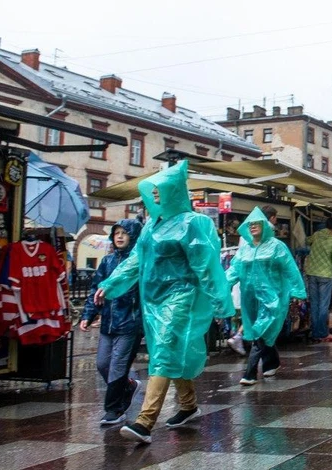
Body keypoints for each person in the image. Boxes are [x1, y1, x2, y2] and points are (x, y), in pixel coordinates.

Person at [95, 160, 233, 445]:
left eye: (161, 189)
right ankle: (187, 405)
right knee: (170, 350)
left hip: (182, 296)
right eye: (153, 190)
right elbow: (135, 261)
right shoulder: (151, 227)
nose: (155, 194)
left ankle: (145, 421)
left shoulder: (195, 223)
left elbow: (206, 266)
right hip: (154, 301)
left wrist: (220, 303)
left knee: (166, 349)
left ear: (175, 190)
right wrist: (109, 284)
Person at [226, 208, 306, 386]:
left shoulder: (277, 246)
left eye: (257, 223)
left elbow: (290, 269)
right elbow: (234, 270)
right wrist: (220, 286)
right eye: (250, 224)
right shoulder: (244, 249)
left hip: (272, 297)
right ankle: (273, 362)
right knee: (260, 332)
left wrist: (298, 291)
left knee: (261, 330)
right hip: (250, 299)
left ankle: (250, 372)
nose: (253, 227)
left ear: (265, 225)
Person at [80, 219, 143, 426]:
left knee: (118, 365)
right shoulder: (107, 261)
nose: (120, 236)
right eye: (116, 232)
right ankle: (129, 386)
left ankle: (114, 410)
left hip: (130, 322)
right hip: (108, 322)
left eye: (125, 233)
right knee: (102, 364)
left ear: (133, 236)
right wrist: (88, 315)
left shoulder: (139, 261)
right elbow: (95, 290)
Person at [304, 216, 332, 343]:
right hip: (326, 275)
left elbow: (307, 240)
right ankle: (323, 333)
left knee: (314, 304)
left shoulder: (316, 235)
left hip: (312, 273)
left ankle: (315, 332)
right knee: (323, 305)